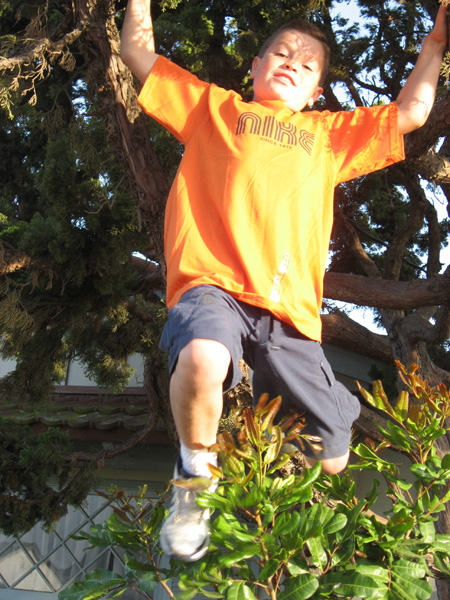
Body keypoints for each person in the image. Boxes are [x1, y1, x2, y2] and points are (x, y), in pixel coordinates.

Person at [121, 1, 449, 562]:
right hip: (212, 286)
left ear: (318, 91)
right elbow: (136, 51)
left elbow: (412, 112)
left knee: (332, 458)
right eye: (281, 52)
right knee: (201, 357)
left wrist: (437, 43)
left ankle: (299, 428)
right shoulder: (211, 108)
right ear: (254, 66)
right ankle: (194, 478)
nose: (293, 62)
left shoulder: (329, 135)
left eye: (308, 63)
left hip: (288, 311)